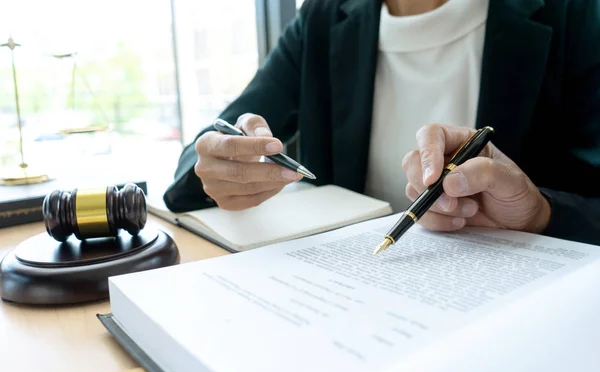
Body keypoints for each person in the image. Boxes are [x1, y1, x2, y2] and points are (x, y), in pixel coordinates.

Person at [163, 0, 600, 246]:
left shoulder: (575, 16)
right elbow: (214, 141)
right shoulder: (323, 18)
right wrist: (217, 163)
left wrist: (541, 212)